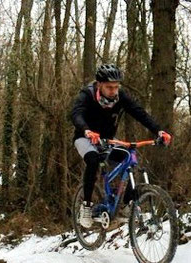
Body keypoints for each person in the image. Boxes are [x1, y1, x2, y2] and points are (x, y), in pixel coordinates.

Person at [71, 64, 172, 228]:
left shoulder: (120, 97)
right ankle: (87, 206)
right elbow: (76, 114)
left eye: (116, 87)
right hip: (85, 137)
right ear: (99, 84)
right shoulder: (87, 94)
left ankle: (127, 204)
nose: (113, 91)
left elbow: (140, 113)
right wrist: (87, 130)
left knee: (129, 157)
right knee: (93, 159)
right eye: (109, 87)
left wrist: (158, 131)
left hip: (108, 140)